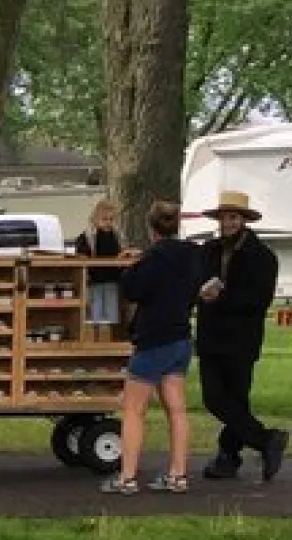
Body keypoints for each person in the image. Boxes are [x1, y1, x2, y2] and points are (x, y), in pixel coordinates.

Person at [101, 201, 200, 495]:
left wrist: (134, 263)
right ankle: (178, 475)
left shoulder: (153, 259)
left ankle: (127, 477)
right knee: (177, 409)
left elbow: (132, 289)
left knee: (134, 410)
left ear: (151, 228)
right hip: (181, 337)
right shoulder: (192, 255)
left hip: (153, 339)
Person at [195, 190, 289, 482]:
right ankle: (266, 439)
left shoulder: (262, 257)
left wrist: (220, 298)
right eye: (224, 218)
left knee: (236, 399)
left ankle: (228, 457)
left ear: (244, 220)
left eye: (233, 217)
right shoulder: (208, 251)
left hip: (241, 339)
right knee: (214, 398)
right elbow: (194, 282)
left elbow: (259, 300)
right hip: (210, 337)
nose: (228, 223)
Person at [74, 199, 123, 341]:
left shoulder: (117, 236)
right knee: (95, 315)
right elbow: (81, 252)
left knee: (112, 315)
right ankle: (95, 341)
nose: (108, 223)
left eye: (111, 219)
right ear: (95, 219)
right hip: (94, 281)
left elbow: (120, 251)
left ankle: (110, 342)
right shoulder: (89, 236)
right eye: (104, 219)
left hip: (112, 281)